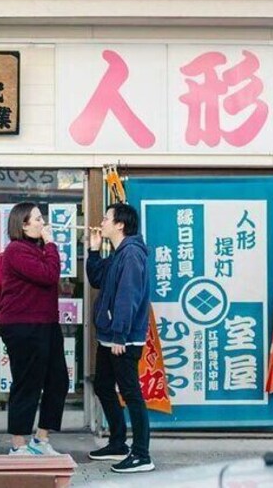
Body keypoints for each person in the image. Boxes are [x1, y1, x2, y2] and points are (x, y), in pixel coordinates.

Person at [86, 202, 154, 473]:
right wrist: (93, 249)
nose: (101, 223)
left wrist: (120, 335)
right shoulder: (118, 253)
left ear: (120, 225)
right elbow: (97, 279)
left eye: (106, 219)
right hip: (111, 336)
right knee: (103, 385)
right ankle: (117, 443)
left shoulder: (132, 254)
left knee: (131, 393)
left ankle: (142, 454)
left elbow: (129, 297)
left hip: (122, 339)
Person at [0, 202, 69, 456]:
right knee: (27, 383)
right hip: (22, 325)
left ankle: (41, 439)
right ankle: (18, 444)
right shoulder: (16, 250)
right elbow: (48, 275)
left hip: (46, 323)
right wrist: (51, 245)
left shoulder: (36, 249)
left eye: (42, 218)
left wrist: (47, 247)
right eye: (37, 219)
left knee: (58, 380)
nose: (43, 223)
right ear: (23, 224)